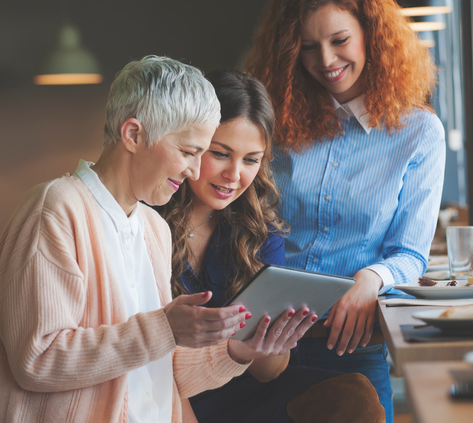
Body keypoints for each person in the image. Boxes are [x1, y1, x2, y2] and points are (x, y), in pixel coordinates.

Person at [0, 56, 300, 423]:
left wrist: (237, 352)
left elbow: (159, 370)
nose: (195, 170)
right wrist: (163, 327)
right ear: (133, 134)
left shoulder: (152, 228)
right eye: (188, 152)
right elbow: (36, 360)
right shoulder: (55, 209)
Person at [246, 0, 447, 423]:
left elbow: (411, 254)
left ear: (371, 35)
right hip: (261, 347)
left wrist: (371, 278)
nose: (326, 61)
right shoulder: (274, 123)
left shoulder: (419, 132)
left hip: (351, 348)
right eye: (309, 46)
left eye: (340, 41)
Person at [159, 68, 386, 423]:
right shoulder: (143, 224)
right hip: (167, 392)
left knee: (354, 394)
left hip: (248, 391)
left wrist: (270, 344)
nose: (234, 176)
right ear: (193, 143)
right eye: (220, 154)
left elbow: (269, 373)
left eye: (251, 160)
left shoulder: (259, 231)